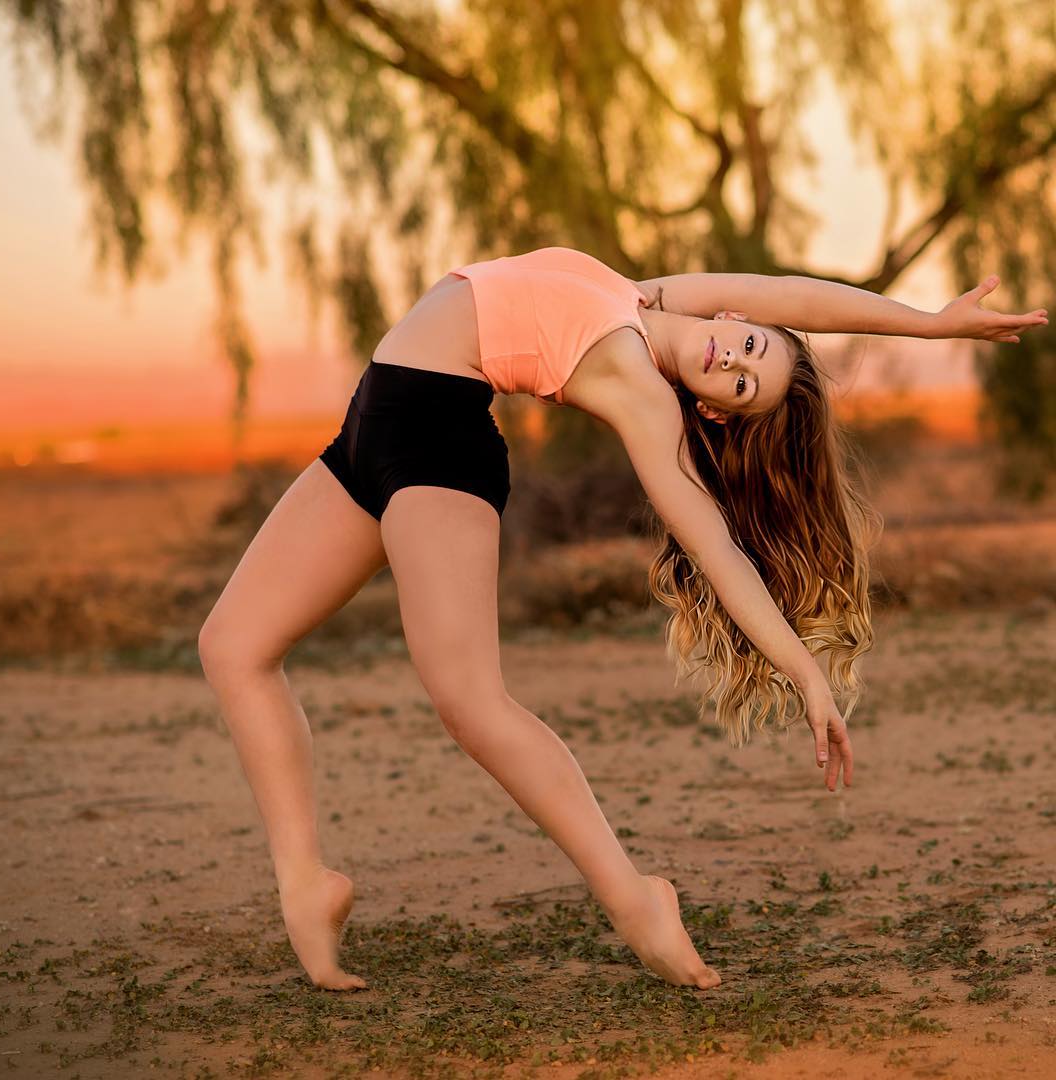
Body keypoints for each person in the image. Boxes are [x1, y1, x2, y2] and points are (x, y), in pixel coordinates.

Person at [197, 246, 1047, 992]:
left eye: (741, 386)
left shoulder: (641, 389)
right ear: (736, 320)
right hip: (372, 422)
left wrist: (803, 670)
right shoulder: (647, 298)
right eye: (751, 346)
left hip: (436, 442)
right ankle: (304, 882)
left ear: (714, 410)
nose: (735, 360)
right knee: (234, 646)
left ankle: (635, 899)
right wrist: (928, 324)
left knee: (470, 700)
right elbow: (794, 295)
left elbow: (715, 546)